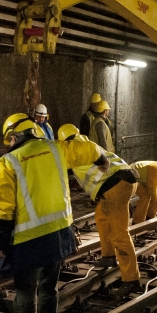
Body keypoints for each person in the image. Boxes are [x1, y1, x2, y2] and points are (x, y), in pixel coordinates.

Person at [0, 113, 106, 313]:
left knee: (25, 292)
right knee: (49, 287)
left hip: (28, 239)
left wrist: (0, 243)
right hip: (58, 233)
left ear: (14, 137)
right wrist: (102, 158)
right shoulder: (56, 149)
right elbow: (86, 148)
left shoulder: (10, 161)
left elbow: (3, 206)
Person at [58, 124, 140, 290]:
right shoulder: (88, 142)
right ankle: (108, 255)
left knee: (119, 233)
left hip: (114, 187)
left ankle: (131, 279)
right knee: (101, 216)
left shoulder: (73, 150)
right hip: (128, 179)